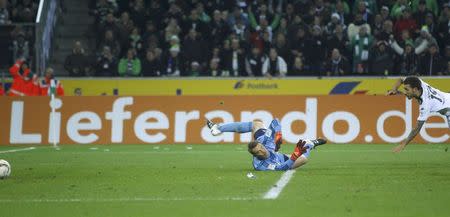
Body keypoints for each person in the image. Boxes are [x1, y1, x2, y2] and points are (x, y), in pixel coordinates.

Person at [206, 119, 327, 171]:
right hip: (279, 161)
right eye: (258, 152)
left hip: (272, 149)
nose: (262, 151)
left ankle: (218, 128)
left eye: (261, 148)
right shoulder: (262, 165)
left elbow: (275, 122)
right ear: (256, 155)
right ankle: (311, 143)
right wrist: (295, 155)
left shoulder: (265, 141)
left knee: (256, 124)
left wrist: (278, 135)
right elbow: (282, 168)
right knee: (304, 159)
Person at [387, 76, 450, 153]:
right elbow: (401, 79)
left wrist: (403, 144)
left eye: (407, 90)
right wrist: (394, 89)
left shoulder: (425, 104)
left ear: (415, 89)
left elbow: (417, 128)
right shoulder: (418, 83)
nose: (405, 92)